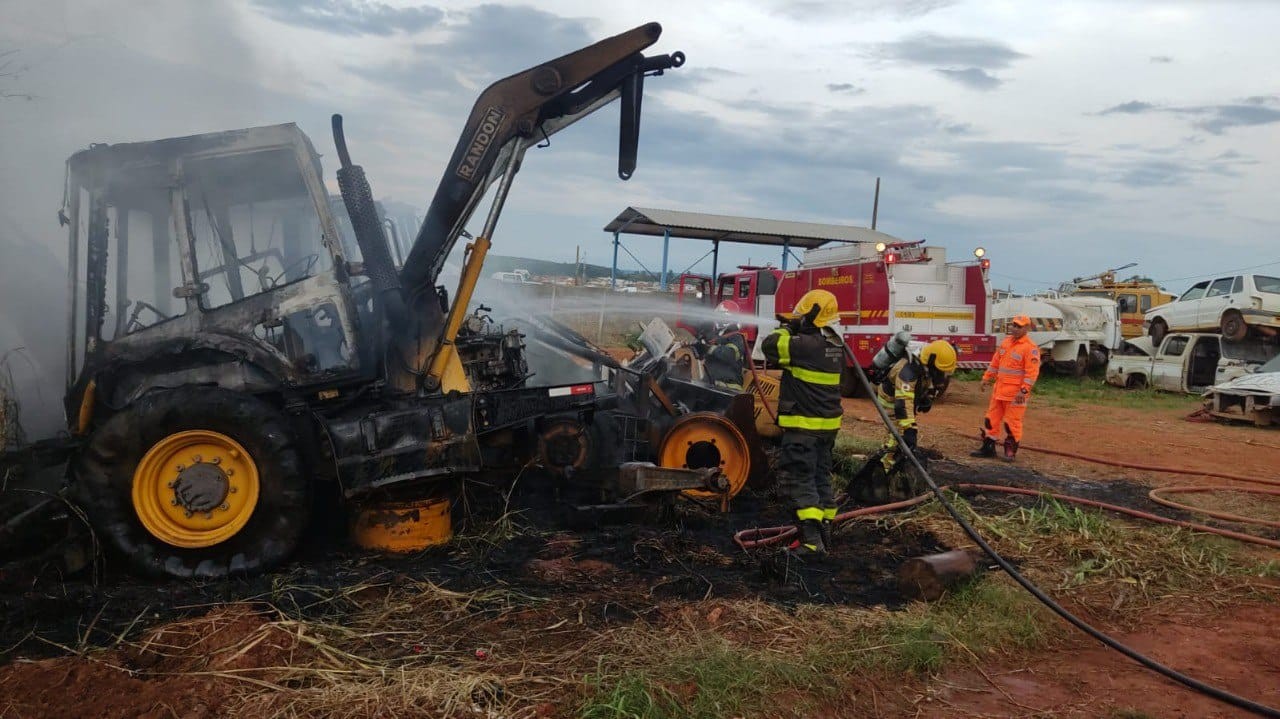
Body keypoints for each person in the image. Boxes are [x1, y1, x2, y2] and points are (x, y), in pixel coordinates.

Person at [760, 289, 844, 558]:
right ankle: (826, 534)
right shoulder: (835, 346)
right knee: (821, 478)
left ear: (812, 315)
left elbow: (770, 345)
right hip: (826, 428)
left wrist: (787, 327)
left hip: (804, 428)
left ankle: (811, 542)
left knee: (799, 479)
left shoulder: (805, 346)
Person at [872, 339, 958, 477]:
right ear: (931, 362)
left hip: (903, 399)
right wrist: (909, 430)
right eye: (940, 371)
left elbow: (922, 381)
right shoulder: (907, 370)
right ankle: (883, 471)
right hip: (892, 400)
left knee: (903, 433)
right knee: (895, 436)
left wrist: (924, 396)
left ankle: (894, 466)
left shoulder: (925, 362)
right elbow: (902, 403)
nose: (942, 375)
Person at [972, 314, 1041, 461]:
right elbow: (995, 363)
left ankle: (1010, 451)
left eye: (1018, 326)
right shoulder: (1005, 343)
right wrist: (986, 378)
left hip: (1016, 395)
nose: (1014, 329)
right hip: (999, 391)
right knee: (991, 420)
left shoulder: (1030, 348)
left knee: (1012, 423)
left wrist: (1024, 390)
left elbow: (1032, 372)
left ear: (1027, 328)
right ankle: (988, 447)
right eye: (1013, 325)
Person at [701, 300, 750, 391]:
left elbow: (730, 354)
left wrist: (709, 348)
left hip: (728, 389)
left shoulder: (737, 338)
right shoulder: (717, 336)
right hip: (712, 386)